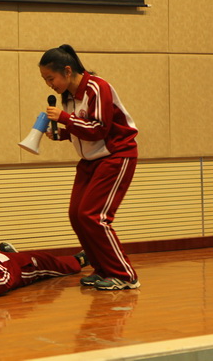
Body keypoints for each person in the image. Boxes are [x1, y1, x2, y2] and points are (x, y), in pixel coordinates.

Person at [39, 44, 140, 291]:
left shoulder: (97, 87)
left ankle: (125, 275)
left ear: (67, 70)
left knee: (95, 216)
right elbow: (83, 127)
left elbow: (99, 129)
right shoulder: (68, 96)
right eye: (45, 80)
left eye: (51, 78)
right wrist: (63, 134)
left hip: (116, 156)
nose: (49, 85)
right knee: (77, 215)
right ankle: (102, 269)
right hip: (91, 160)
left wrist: (64, 119)